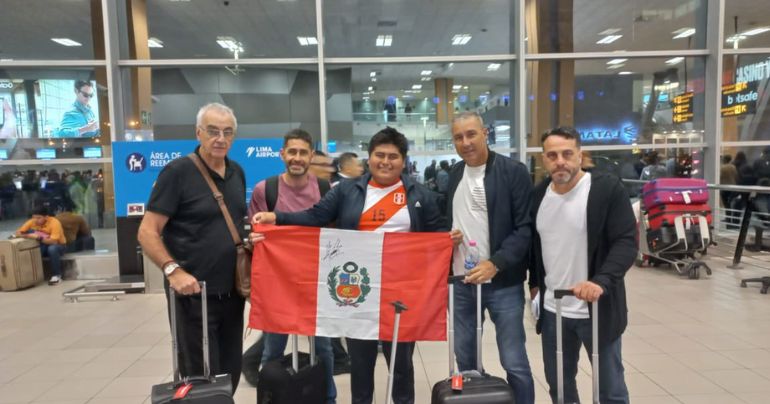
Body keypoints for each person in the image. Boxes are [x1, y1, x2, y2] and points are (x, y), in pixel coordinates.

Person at [253, 127, 448, 404]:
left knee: (401, 365)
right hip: (358, 293)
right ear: (369, 158)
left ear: (403, 161)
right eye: (379, 154)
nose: (385, 161)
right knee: (361, 365)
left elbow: (437, 236)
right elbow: (315, 216)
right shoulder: (347, 190)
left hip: (402, 294)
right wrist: (277, 217)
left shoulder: (421, 196)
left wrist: (448, 240)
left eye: (393, 156)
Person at [137, 103, 246, 392]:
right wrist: (173, 271)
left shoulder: (237, 172)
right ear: (198, 133)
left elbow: (233, 226)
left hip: (233, 293)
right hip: (193, 295)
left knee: (231, 371)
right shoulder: (177, 172)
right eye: (212, 131)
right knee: (198, 377)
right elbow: (147, 231)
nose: (220, 138)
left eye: (227, 132)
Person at [529, 126, 636, 404]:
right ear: (544, 159)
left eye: (567, 153)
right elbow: (535, 245)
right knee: (560, 388)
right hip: (554, 311)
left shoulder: (605, 189)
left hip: (597, 309)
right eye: (552, 155)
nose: (560, 161)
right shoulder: (539, 195)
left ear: (580, 155)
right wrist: (534, 285)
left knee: (611, 390)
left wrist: (601, 281)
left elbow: (625, 242)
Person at [445, 111, 535, 404]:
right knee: (467, 362)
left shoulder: (513, 172)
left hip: (502, 283)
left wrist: (495, 263)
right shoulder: (454, 174)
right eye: (458, 137)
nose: (465, 142)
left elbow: (524, 229)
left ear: (485, 133)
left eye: (471, 134)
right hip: (461, 283)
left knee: (514, 360)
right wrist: (448, 236)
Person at [246, 128, 337, 403]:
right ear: (282, 154)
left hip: (317, 283)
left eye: (303, 152)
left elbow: (333, 234)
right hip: (279, 284)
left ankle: (328, 398)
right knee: (272, 349)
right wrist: (252, 239)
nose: (297, 158)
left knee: (324, 349)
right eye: (292, 152)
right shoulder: (266, 189)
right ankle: (270, 397)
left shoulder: (324, 189)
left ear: (311, 155)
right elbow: (253, 234)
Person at [15, 206, 67, 284]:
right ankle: (27, 274)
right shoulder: (32, 221)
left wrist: (39, 237)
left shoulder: (54, 222)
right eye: (34, 218)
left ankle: (57, 276)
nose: (36, 220)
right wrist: (29, 235)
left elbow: (54, 242)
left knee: (52, 249)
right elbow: (18, 233)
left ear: (46, 217)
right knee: (30, 232)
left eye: (39, 218)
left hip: (59, 246)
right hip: (43, 245)